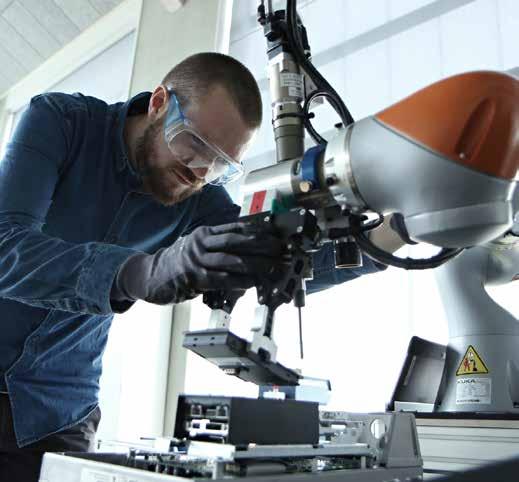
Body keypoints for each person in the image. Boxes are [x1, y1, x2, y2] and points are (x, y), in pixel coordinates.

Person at [0, 52, 390, 480]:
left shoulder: (200, 200)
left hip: (56, 415)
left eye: (220, 163)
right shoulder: (62, 122)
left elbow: (278, 256)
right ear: (159, 103)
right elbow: (5, 247)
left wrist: (388, 237)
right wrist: (140, 273)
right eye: (194, 143)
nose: (198, 171)